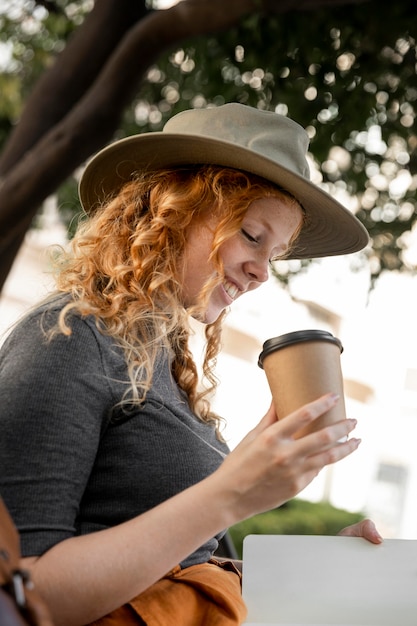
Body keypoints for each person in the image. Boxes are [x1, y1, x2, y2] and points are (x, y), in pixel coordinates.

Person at [0, 103, 382, 626]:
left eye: (276, 253)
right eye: (252, 236)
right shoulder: (68, 336)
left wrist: (315, 568)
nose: (261, 272)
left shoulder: (160, 358)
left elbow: (182, 571)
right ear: (172, 207)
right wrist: (231, 493)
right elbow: (23, 594)